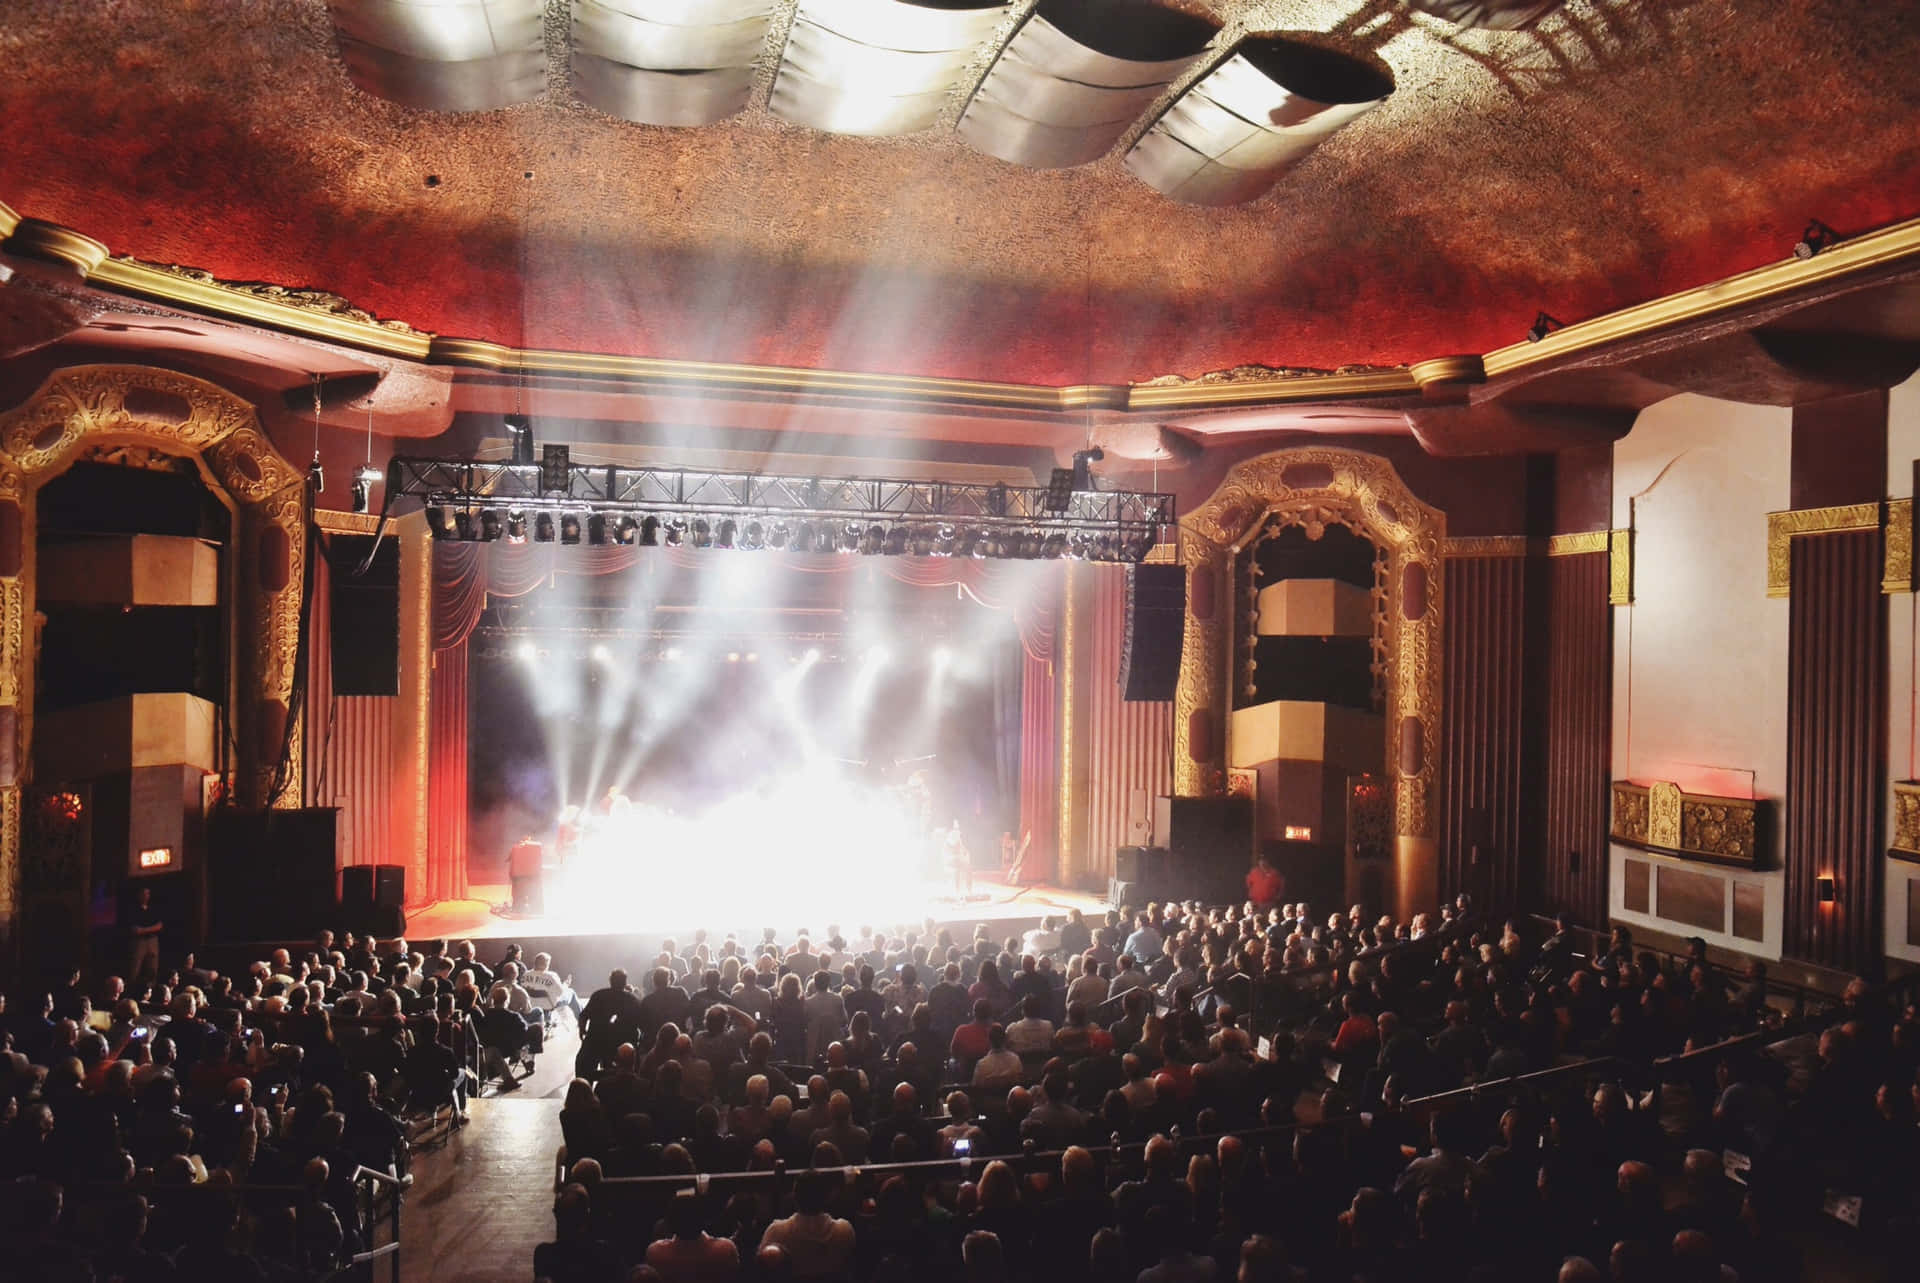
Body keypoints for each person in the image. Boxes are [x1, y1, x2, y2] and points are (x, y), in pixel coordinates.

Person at [128, 885, 164, 984]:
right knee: (134, 969)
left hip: (152, 941)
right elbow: (135, 930)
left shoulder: (154, 909)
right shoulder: (133, 909)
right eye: (143, 894)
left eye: (147, 893)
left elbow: (159, 926)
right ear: (139, 895)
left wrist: (144, 930)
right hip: (139, 942)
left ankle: (150, 990)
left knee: (152, 969)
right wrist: (151, 929)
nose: (146, 896)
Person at [508, 833, 544, 915]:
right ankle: (536, 909)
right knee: (534, 893)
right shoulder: (537, 846)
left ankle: (518, 909)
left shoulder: (516, 847)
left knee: (519, 895)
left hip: (519, 876)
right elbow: (540, 860)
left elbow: (511, 860)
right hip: (534, 876)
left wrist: (512, 875)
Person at [945, 820, 973, 898]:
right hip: (950, 859)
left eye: (958, 829)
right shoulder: (949, 838)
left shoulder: (959, 839)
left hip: (959, 859)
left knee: (969, 869)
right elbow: (953, 848)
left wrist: (966, 852)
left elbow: (963, 849)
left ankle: (969, 890)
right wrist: (957, 842)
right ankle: (957, 890)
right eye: (955, 829)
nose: (957, 831)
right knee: (957, 868)